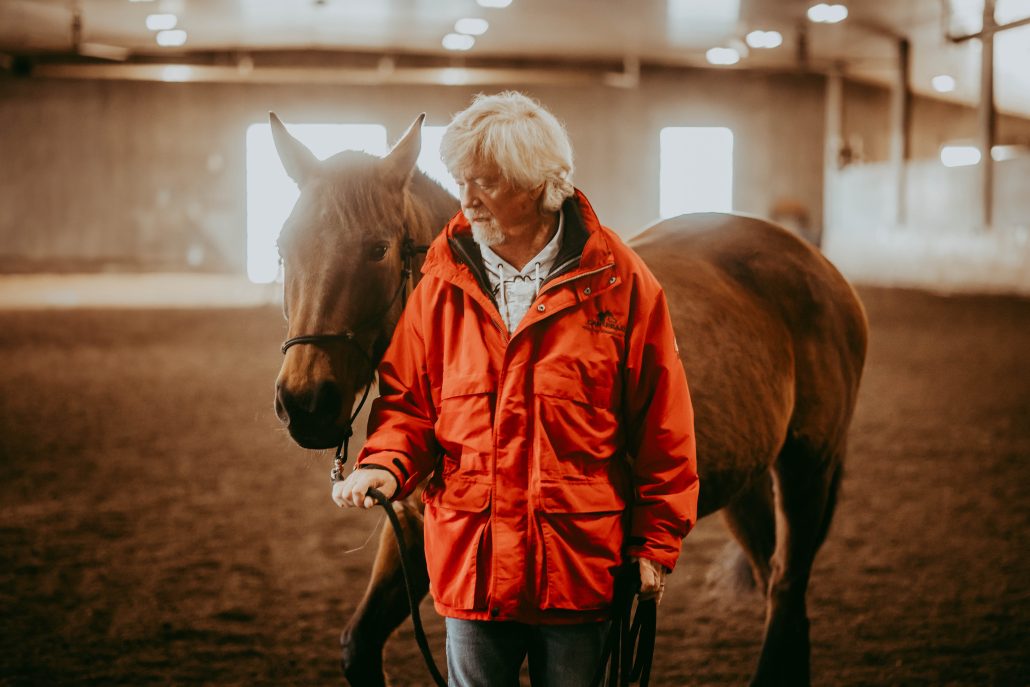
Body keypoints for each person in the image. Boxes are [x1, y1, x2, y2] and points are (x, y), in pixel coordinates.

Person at [333, 91, 699, 687]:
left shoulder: (624, 284)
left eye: (486, 182)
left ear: (537, 185)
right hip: (471, 570)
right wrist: (386, 464)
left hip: (578, 571)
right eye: (462, 180)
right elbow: (409, 405)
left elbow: (664, 425)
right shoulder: (439, 283)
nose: (466, 197)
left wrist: (655, 542)